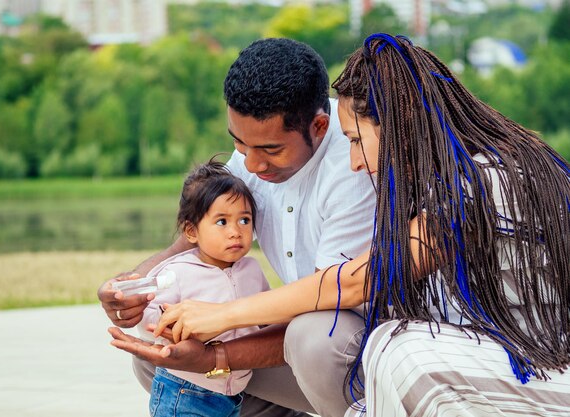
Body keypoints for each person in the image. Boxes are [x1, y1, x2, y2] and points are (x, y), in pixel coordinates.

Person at [151, 34, 570, 416]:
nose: (354, 160)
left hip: (541, 368)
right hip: (490, 362)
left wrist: (224, 315)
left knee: (397, 349)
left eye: (355, 139)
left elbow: (358, 281)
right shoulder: (452, 181)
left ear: (398, 127)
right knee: (172, 363)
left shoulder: (486, 182)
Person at [102, 38, 377, 417]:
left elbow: (328, 297)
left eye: (270, 150)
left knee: (313, 336)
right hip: (302, 348)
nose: (251, 165)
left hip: (357, 352)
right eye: (240, 145)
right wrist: (135, 284)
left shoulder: (353, 165)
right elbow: (201, 233)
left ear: (318, 126)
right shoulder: (254, 147)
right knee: (161, 356)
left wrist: (217, 352)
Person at [132, 159, 270, 417]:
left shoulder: (251, 269)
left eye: (244, 220)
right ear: (192, 231)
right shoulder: (179, 271)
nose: (235, 232)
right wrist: (169, 327)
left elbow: (267, 313)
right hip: (185, 390)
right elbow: (147, 315)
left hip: (233, 394)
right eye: (222, 222)